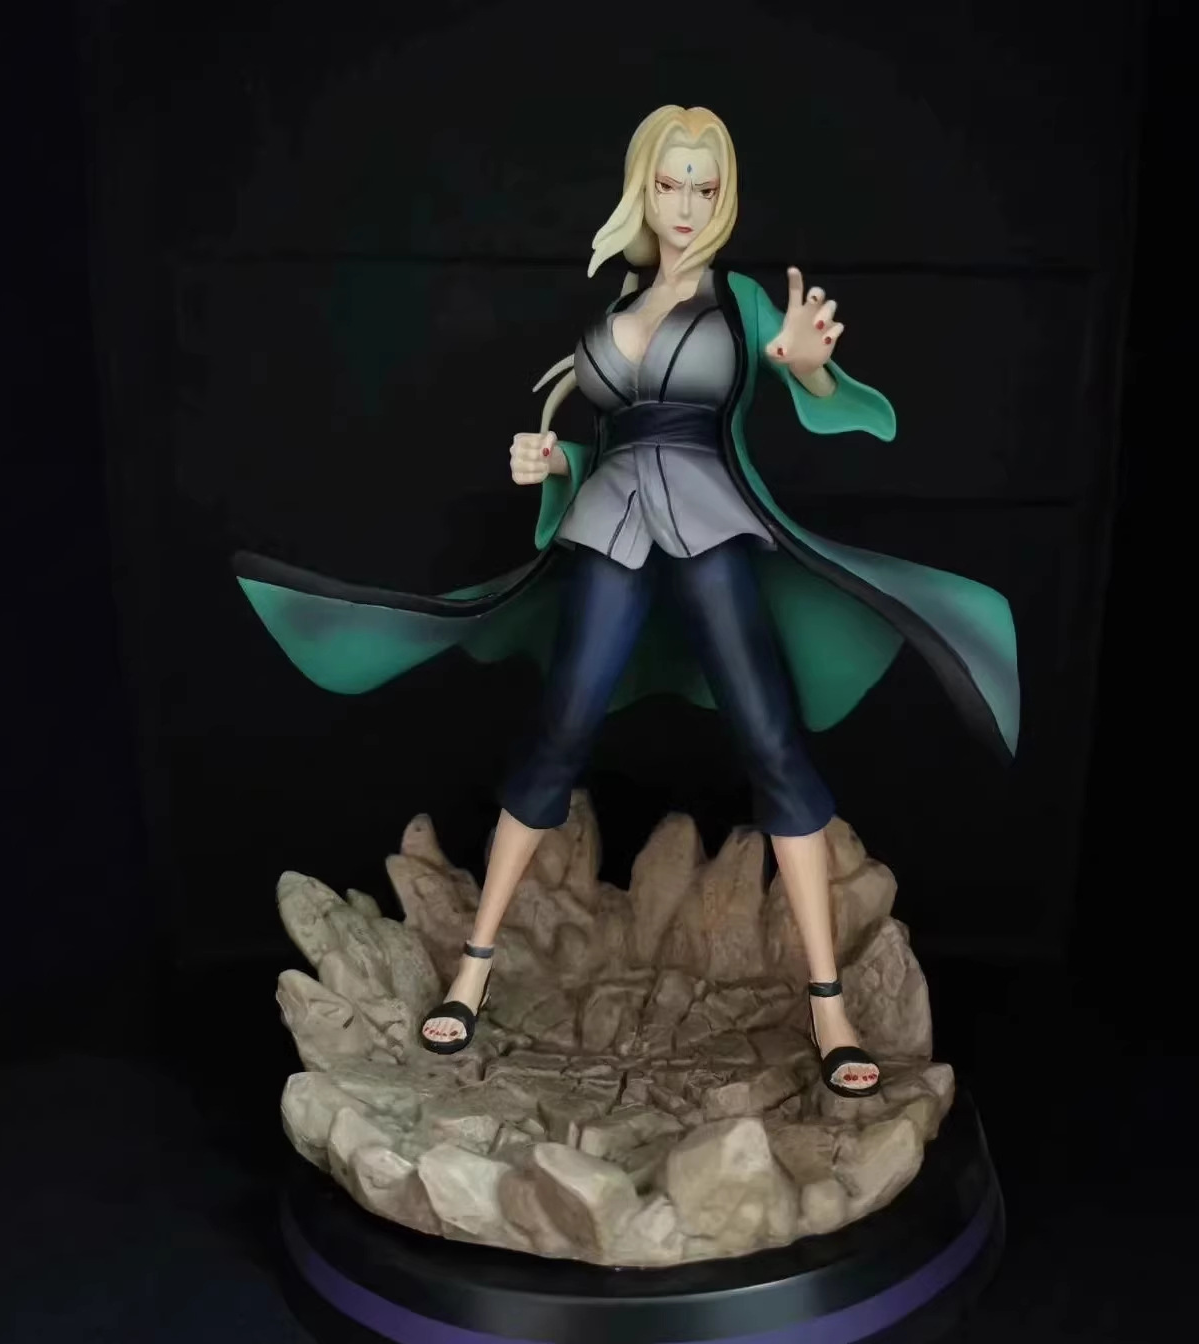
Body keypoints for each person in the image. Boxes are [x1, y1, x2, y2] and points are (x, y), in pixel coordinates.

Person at [234, 105, 1021, 1097]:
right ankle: (474, 967)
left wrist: (811, 368)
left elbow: (816, 389)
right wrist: (554, 461)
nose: (686, 203)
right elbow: (611, 441)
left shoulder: (740, 300)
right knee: (558, 732)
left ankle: (830, 1004)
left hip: (711, 525)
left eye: (705, 185)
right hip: (609, 526)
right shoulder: (616, 306)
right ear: (643, 185)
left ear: (723, 195)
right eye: (670, 182)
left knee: (771, 741)